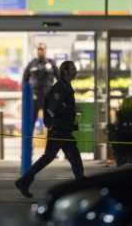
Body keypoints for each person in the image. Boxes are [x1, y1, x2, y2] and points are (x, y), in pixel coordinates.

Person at [15, 60, 84, 198]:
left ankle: (81, 182)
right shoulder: (59, 88)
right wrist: (73, 110)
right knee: (49, 156)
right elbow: (55, 108)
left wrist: (72, 122)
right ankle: (24, 181)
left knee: (74, 155)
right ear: (65, 71)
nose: (75, 71)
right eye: (73, 69)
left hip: (64, 129)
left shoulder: (66, 86)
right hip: (58, 129)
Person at [22, 43, 59, 127]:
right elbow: (25, 81)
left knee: (51, 121)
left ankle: (52, 139)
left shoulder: (52, 64)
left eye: (42, 49)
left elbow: (60, 79)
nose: (40, 51)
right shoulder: (31, 64)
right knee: (31, 121)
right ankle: (29, 139)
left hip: (48, 98)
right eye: (38, 49)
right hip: (36, 97)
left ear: (45, 51)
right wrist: (26, 96)